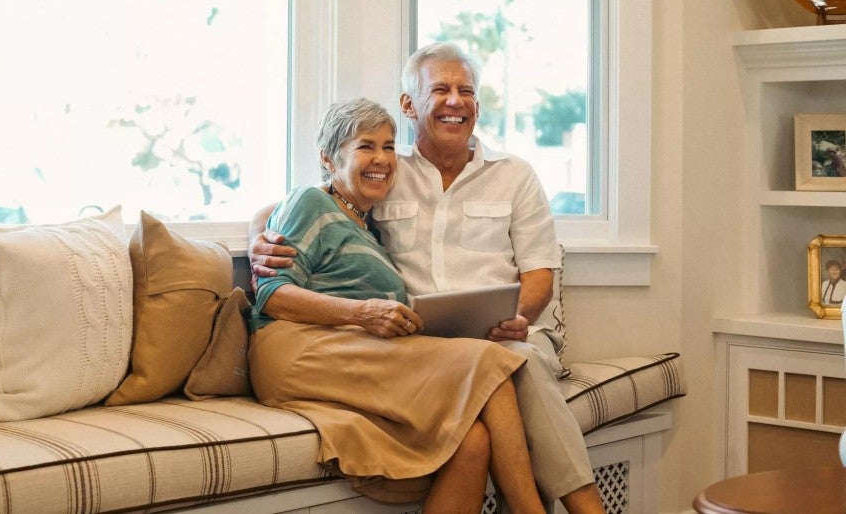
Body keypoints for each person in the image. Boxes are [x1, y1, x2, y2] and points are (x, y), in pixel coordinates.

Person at [250, 43, 605, 514]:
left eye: (466, 91)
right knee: (491, 372)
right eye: (440, 89)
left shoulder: (513, 175)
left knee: (501, 386)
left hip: (495, 334)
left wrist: (517, 318)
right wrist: (260, 235)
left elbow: (540, 273)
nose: (455, 101)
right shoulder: (390, 172)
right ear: (409, 103)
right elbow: (312, 199)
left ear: (477, 105)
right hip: (414, 341)